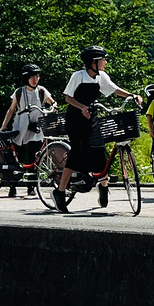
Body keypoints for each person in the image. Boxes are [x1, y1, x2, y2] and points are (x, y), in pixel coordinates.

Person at [53, 46, 139, 213]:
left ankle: (104, 186)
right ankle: (60, 192)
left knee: (100, 151)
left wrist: (132, 95)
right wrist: (82, 107)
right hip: (75, 119)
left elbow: (114, 89)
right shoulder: (78, 76)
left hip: (91, 117)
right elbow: (68, 97)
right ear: (93, 62)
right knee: (77, 154)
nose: (105, 62)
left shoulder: (101, 77)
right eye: (103, 59)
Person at [0, 64, 55, 197]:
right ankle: (12, 186)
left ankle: (31, 186)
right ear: (26, 78)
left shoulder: (41, 91)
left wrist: (53, 107)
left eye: (37, 76)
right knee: (15, 158)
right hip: (20, 127)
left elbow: (52, 102)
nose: (35, 79)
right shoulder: (19, 92)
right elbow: (11, 110)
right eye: (32, 77)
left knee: (33, 158)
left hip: (35, 128)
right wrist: (3, 126)